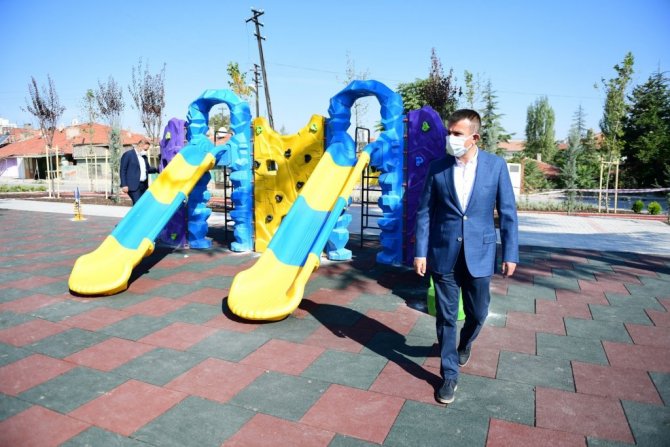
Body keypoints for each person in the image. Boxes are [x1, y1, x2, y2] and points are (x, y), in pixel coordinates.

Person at [414, 109, 518, 404]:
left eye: (457, 134)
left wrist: (510, 252)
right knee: (446, 317)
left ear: (475, 137)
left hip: (481, 253)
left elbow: (507, 212)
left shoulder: (495, 166)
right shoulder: (438, 167)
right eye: (449, 132)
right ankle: (449, 375)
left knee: (478, 312)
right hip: (443, 252)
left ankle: (466, 343)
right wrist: (420, 252)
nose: (451, 138)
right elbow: (425, 212)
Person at [120, 139, 157, 204]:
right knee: (138, 203)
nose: (146, 151)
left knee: (143, 204)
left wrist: (158, 169)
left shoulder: (144, 157)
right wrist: (124, 185)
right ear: (140, 146)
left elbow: (148, 169)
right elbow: (123, 170)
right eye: (145, 149)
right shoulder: (128, 154)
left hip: (144, 185)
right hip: (133, 186)